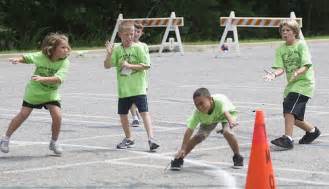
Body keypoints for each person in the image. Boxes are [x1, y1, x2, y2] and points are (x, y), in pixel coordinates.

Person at [0, 33, 71, 155]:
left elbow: (59, 79)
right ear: (53, 49)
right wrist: (18, 59)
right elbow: (28, 58)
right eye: (63, 47)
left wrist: (42, 79)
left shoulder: (65, 62)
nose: (66, 50)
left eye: (67, 47)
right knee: (23, 115)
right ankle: (5, 139)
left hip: (50, 93)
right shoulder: (41, 56)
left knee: (57, 115)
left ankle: (54, 142)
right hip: (35, 92)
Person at [264, 19, 320, 150]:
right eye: (283, 31)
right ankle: (312, 132)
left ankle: (287, 139)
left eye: (288, 30)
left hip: (304, 83)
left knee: (289, 110)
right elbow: (281, 69)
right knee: (292, 117)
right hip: (291, 85)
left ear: (295, 32)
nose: (285, 33)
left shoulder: (301, 45)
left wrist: (297, 72)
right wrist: (273, 74)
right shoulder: (280, 49)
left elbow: (306, 65)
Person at [103, 21, 159, 151]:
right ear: (119, 35)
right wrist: (109, 54)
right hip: (124, 90)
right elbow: (107, 66)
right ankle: (129, 138)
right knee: (123, 115)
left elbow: (146, 65)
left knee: (144, 113)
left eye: (132, 34)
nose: (129, 37)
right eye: (126, 34)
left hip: (138, 88)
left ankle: (151, 139)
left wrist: (129, 66)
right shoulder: (117, 50)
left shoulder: (138, 48)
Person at [170, 87, 243, 170]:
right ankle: (180, 158)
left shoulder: (219, 102)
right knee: (199, 136)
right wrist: (182, 148)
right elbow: (189, 130)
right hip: (209, 119)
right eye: (196, 105)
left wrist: (230, 121)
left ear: (210, 99)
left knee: (227, 132)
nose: (199, 107)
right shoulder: (197, 113)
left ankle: (237, 156)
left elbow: (226, 113)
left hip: (226, 115)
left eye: (201, 103)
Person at [129, 23, 150, 127]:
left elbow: (147, 63)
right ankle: (135, 118)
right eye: (134, 32)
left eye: (138, 32)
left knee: (140, 98)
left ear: (142, 33)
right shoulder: (126, 45)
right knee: (131, 97)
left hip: (142, 77)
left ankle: (136, 111)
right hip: (129, 77)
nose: (136, 34)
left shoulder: (144, 46)